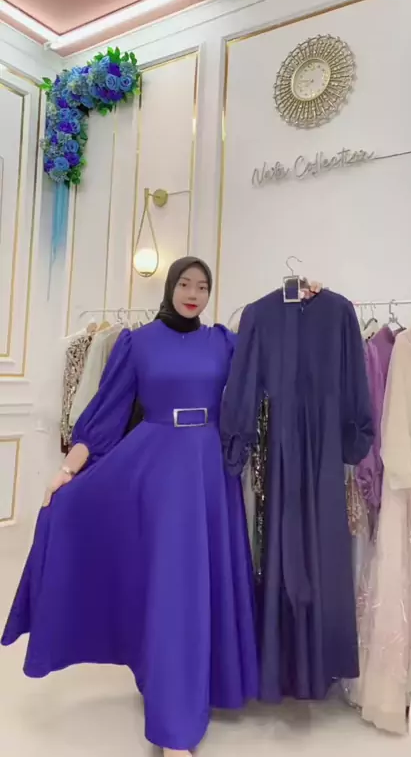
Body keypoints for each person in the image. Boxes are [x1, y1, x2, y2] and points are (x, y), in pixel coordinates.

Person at [2, 257, 258, 756]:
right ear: (170, 287)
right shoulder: (137, 343)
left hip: (210, 474)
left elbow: (269, 359)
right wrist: (68, 470)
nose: (193, 294)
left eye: (203, 286)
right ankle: (173, 723)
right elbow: (106, 414)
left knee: (193, 588)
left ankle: (187, 692)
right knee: (171, 590)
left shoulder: (224, 343)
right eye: (185, 284)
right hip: (158, 471)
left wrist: (304, 296)